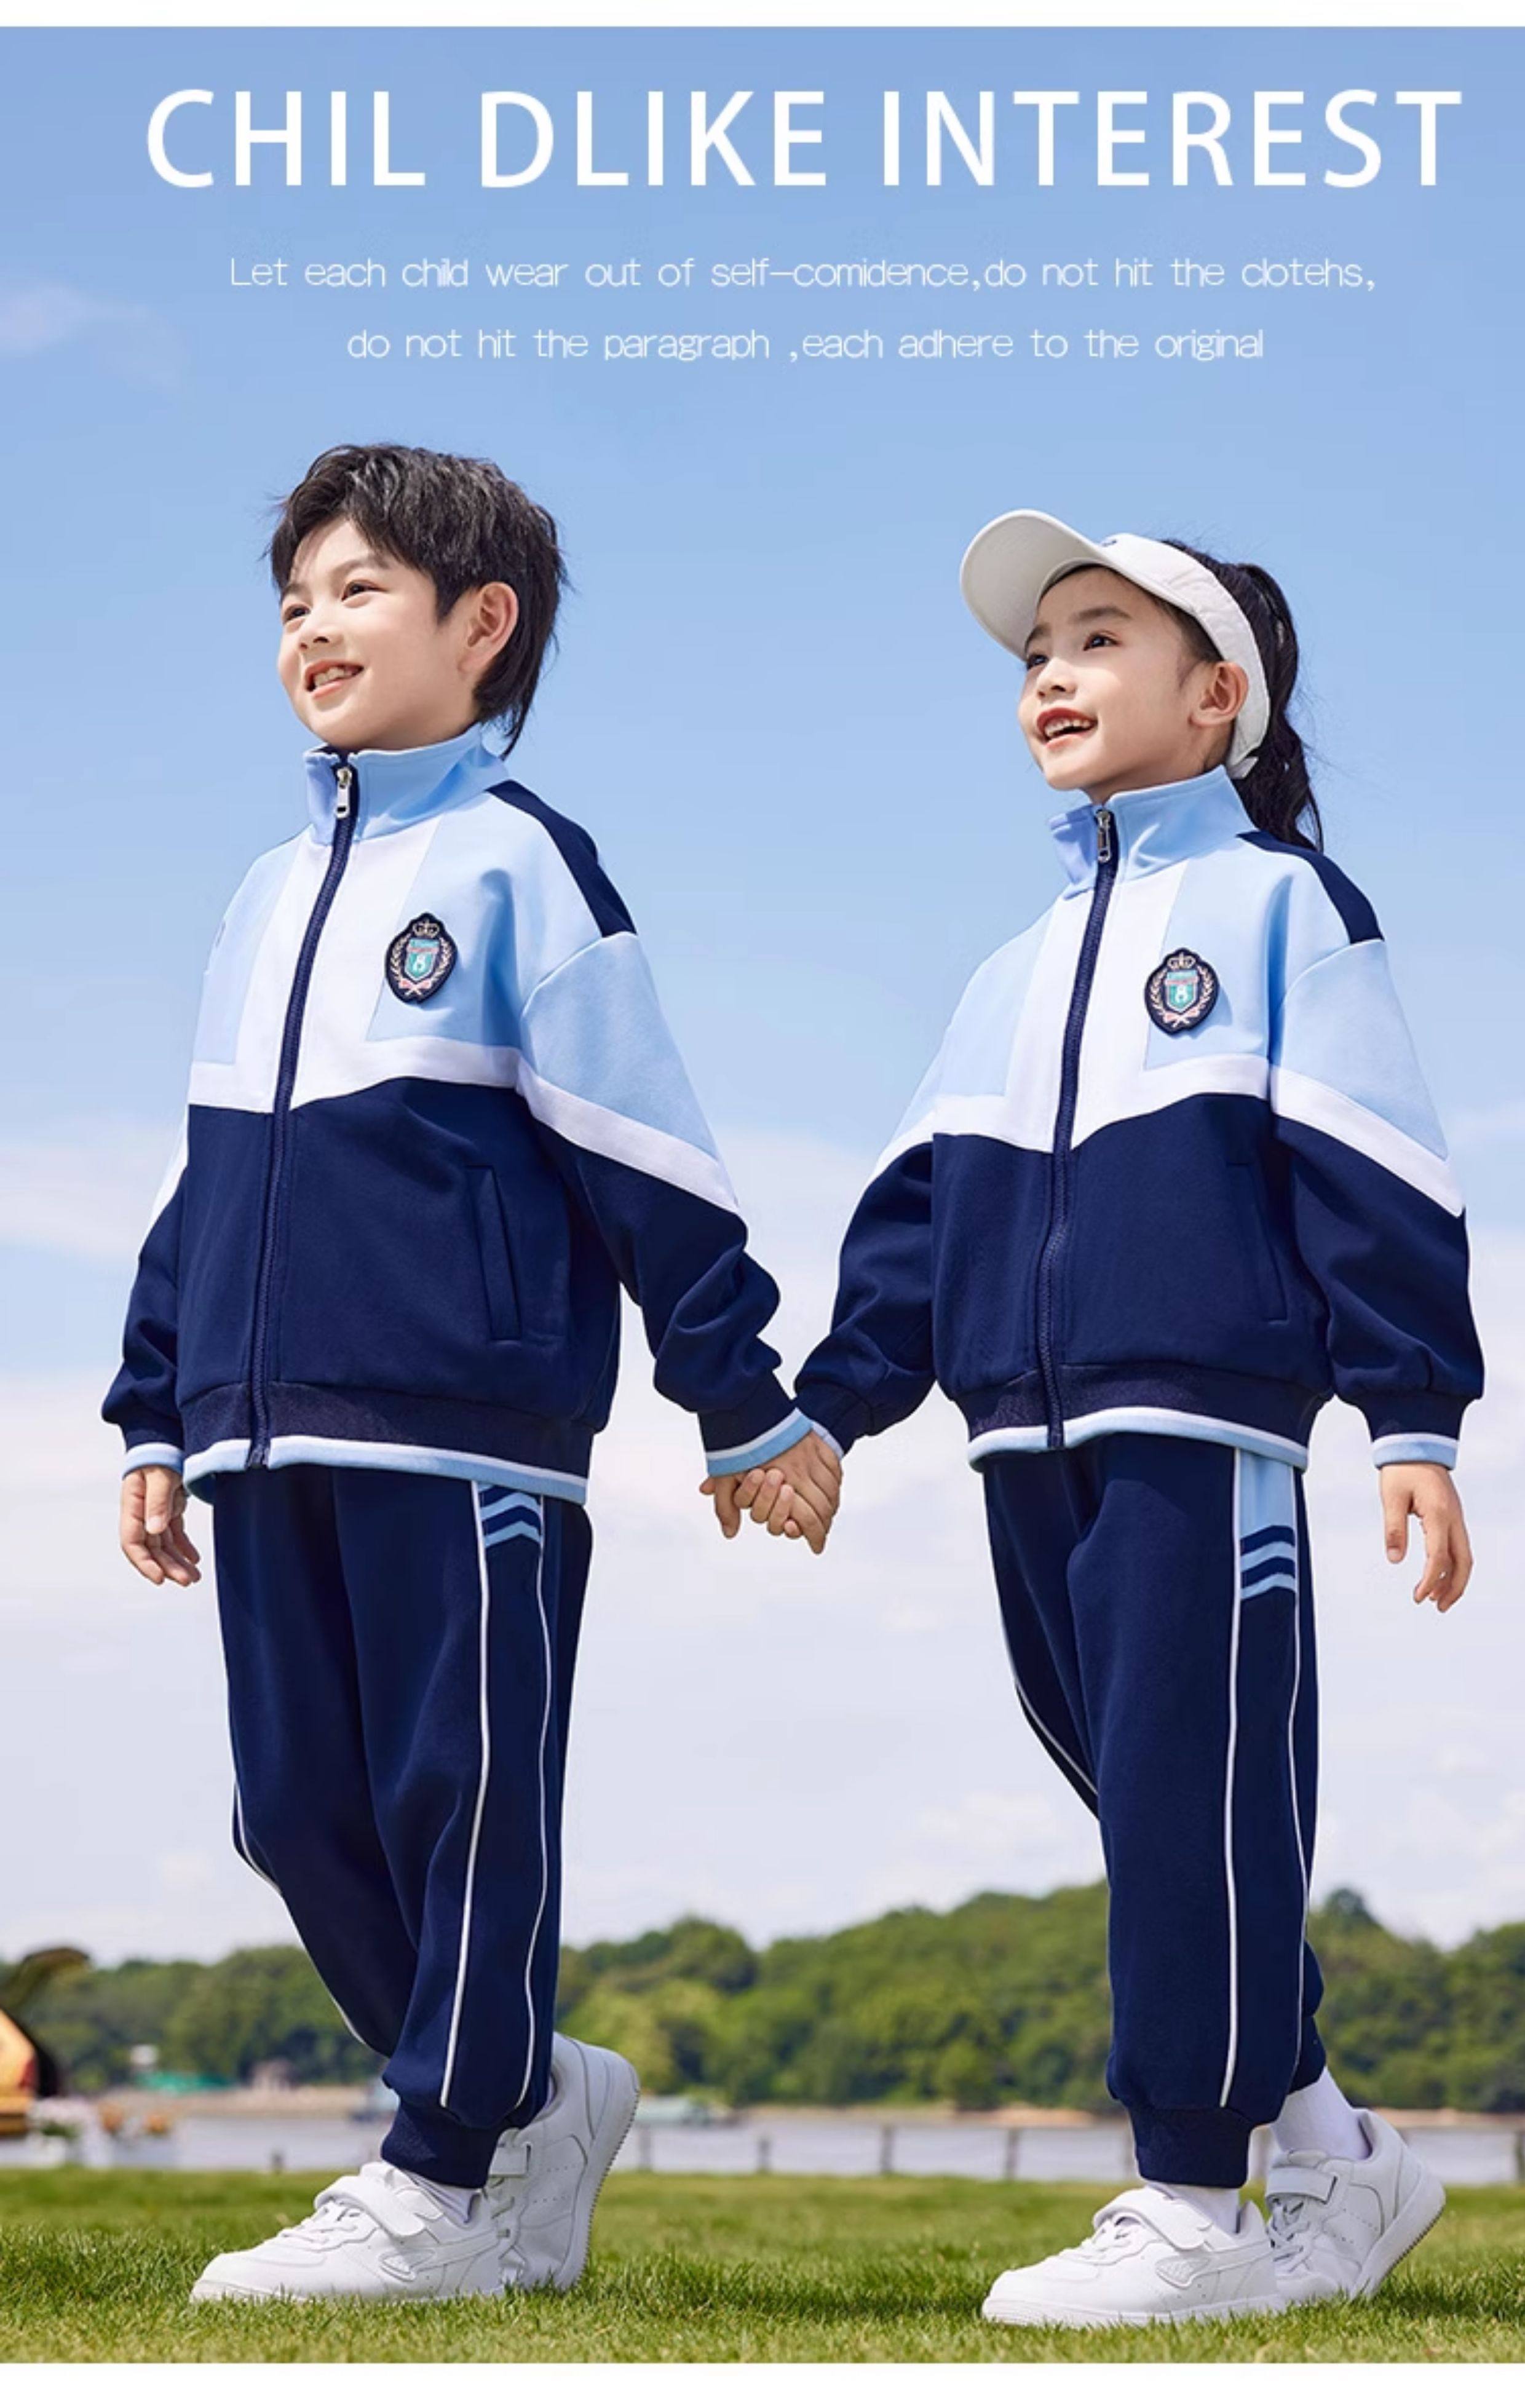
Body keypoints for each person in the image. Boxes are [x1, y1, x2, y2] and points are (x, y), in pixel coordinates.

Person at [104, 440, 841, 2303]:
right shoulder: (266, 890)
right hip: (259, 1428)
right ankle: (525, 2094)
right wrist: (151, 1405)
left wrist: (739, 1398)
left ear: (481, 623)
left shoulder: (524, 866)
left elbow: (641, 1150)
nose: (313, 626)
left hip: (467, 1436)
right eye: (294, 600)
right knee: (291, 1812)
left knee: (462, 1801)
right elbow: (214, 1171)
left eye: (358, 588)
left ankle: (444, 2172)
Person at [739, 510, 1483, 2327]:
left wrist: (1412, 1417)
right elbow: (915, 1221)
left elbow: (1373, 1170)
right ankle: (1335, 2146)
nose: (1052, 676)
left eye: (1096, 639)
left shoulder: (1284, 908)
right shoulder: (1011, 969)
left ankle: (1195, 2204)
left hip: (1199, 1440)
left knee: (1186, 1801)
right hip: (1023, 1443)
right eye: (1035, 654)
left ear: (1218, 695)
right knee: (1154, 1805)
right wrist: (827, 1411)